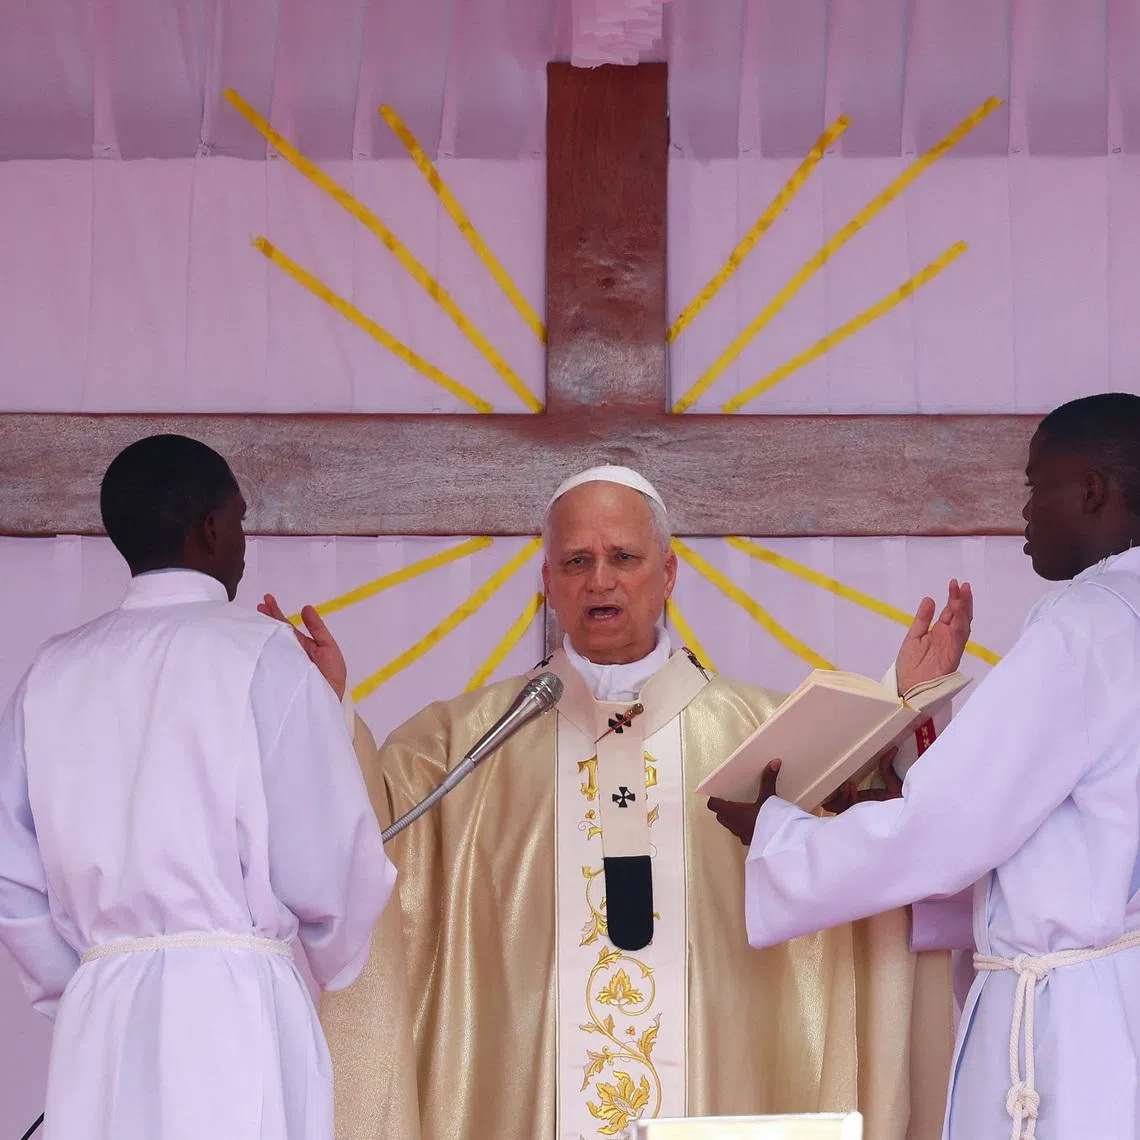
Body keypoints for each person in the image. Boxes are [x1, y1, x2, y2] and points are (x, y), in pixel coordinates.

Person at [266, 463, 973, 1140]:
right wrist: (325, 714)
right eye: (575, 562)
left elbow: (869, 839)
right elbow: (372, 839)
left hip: (720, 1089)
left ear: (667, 573)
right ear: (547, 582)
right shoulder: (457, 745)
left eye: (624, 557)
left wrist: (901, 710)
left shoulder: (765, 738)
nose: (599, 580)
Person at [713, 392, 1140, 1140]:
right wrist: (919, 717)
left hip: (1071, 1029)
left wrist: (780, 836)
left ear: (1093, 491)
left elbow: (948, 831)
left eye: (1036, 486)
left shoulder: (1083, 626)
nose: (1024, 513)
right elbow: (1056, 815)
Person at [0, 434, 395, 1140]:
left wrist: (89, 981)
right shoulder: (262, 653)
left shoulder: (51, 673)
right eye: (240, 520)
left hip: (102, 1016)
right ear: (209, 526)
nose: (243, 543)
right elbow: (329, 856)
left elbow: (10, 874)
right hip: (236, 1003)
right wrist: (334, 956)